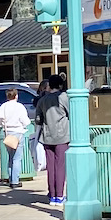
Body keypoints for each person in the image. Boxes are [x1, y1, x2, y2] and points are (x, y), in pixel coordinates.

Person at [35, 72, 71, 206]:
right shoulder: (64, 97)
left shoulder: (42, 100)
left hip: (47, 136)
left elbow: (38, 119)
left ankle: (53, 195)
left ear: (49, 85)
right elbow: (71, 113)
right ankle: (60, 195)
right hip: (62, 136)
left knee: (51, 167)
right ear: (61, 85)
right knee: (60, 166)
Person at [0, 87, 31, 188]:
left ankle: (11, 178)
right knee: (17, 158)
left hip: (7, 133)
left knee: (10, 157)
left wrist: (3, 125)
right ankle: (15, 181)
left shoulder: (4, 106)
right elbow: (25, 121)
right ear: (16, 96)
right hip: (18, 132)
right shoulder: (19, 107)